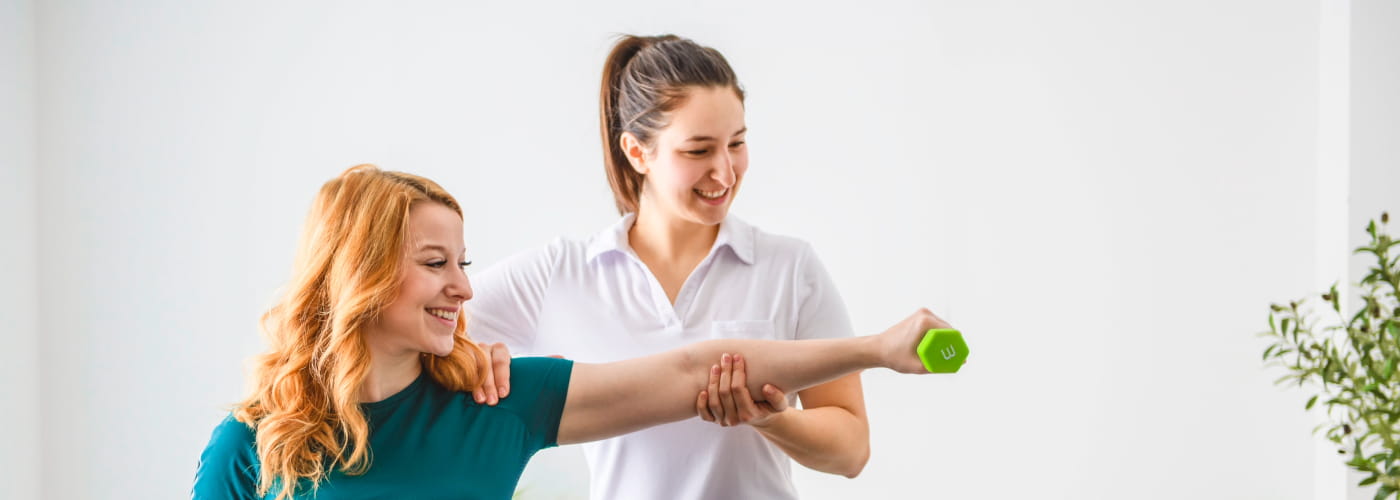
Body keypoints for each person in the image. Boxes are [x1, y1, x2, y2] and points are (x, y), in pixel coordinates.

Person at [191, 165, 953, 500]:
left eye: (464, 261)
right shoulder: (251, 446)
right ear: (355, 276)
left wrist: (877, 350)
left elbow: (695, 371)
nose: (463, 286)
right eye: (435, 263)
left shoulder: (501, 402)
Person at [468, 34, 870, 499]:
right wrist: (474, 357)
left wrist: (770, 418)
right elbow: (410, 326)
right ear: (638, 152)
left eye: (736, 144)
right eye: (698, 151)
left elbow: (852, 451)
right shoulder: (562, 273)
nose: (725, 172)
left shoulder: (789, 268)